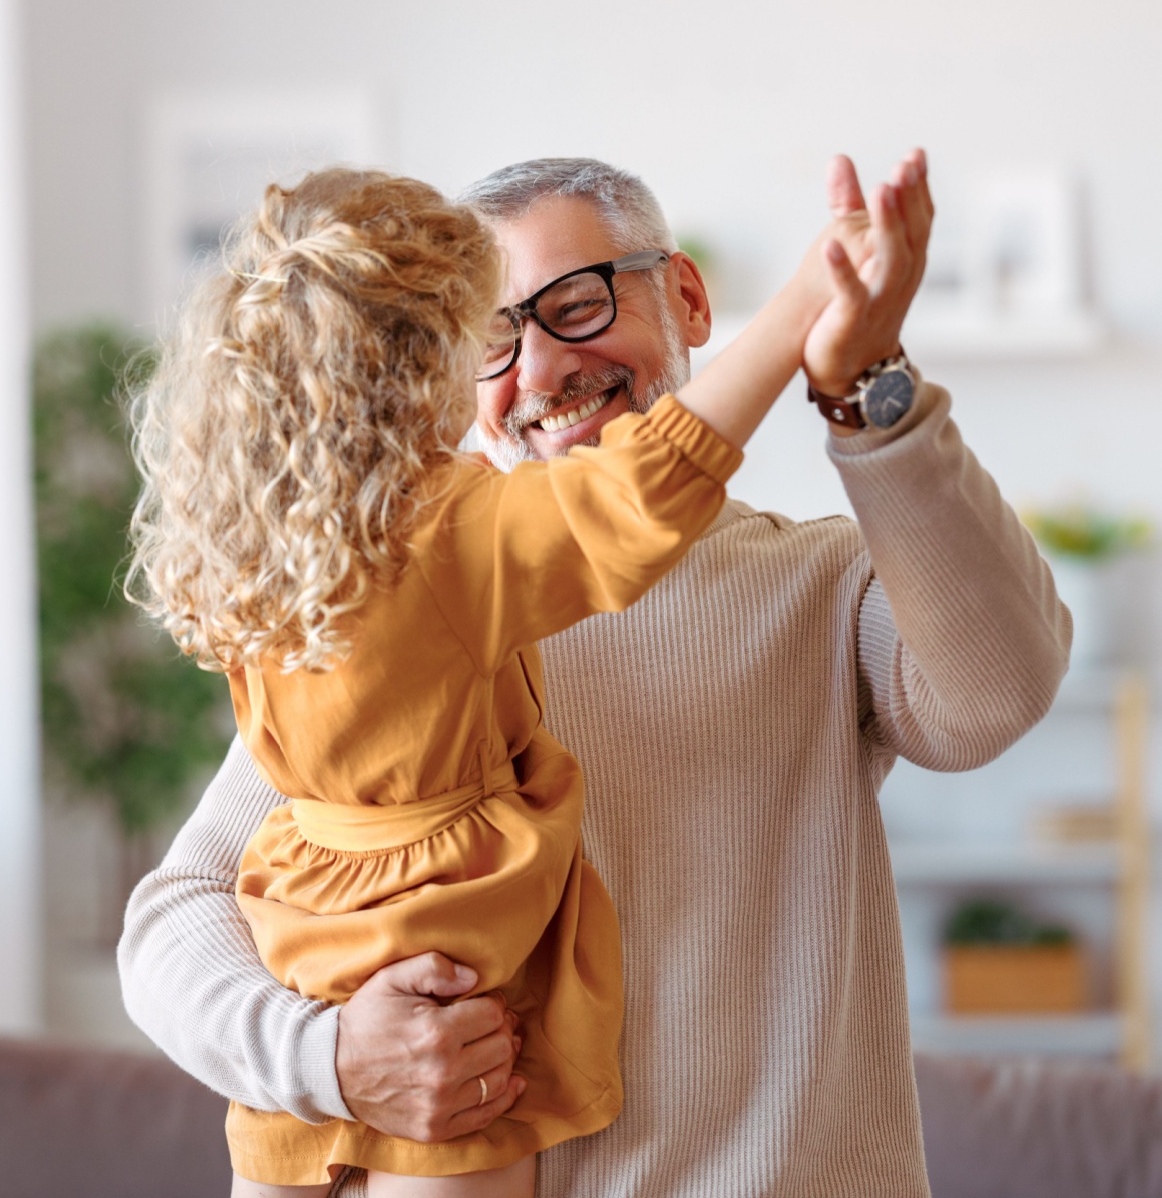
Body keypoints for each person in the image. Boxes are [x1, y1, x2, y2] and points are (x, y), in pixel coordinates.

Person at [119, 152, 1071, 1198]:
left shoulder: (822, 582)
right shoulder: (387, 613)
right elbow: (176, 916)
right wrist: (328, 1060)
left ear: (688, 299)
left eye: (575, 304)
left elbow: (997, 694)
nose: (538, 372)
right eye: (490, 336)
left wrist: (863, 383)